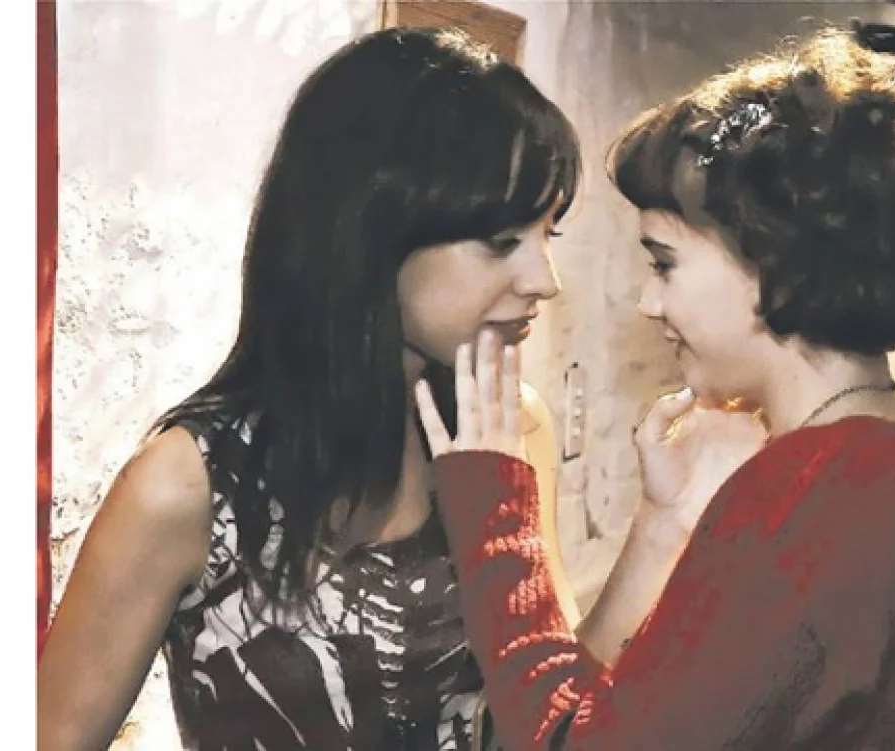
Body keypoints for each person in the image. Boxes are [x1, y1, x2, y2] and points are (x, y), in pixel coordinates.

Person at [415, 27, 895, 750]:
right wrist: (663, 522)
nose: (649, 303)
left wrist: (496, 517)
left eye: (664, 263)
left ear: (771, 265)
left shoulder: (803, 504)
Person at [38, 26, 585, 750]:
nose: (544, 279)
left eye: (549, 234)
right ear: (373, 228)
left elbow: (554, 713)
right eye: (502, 241)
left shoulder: (509, 431)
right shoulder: (189, 485)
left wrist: (659, 534)